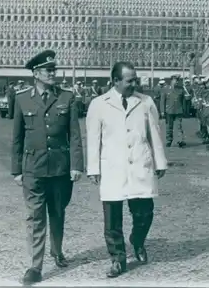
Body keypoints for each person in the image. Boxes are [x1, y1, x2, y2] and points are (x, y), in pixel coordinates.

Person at [86, 61, 167, 278]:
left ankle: (137, 240)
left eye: (135, 79)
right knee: (112, 219)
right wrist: (93, 168)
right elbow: (93, 139)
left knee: (144, 213)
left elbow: (155, 134)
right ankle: (117, 259)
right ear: (115, 81)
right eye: (129, 80)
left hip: (140, 164)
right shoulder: (99, 104)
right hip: (112, 167)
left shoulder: (146, 102)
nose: (134, 83)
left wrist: (160, 162)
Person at [11, 50, 84, 285]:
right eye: (48, 70)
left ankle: (57, 250)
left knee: (58, 212)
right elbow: (17, 138)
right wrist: (16, 169)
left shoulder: (67, 97)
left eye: (54, 69)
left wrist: (76, 165)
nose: (53, 73)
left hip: (60, 169)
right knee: (35, 216)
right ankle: (35, 266)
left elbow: (74, 135)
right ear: (36, 73)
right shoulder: (22, 99)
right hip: (33, 168)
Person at [160, 74, 186, 147]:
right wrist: (162, 111)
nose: (177, 82)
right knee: (169, 126)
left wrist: (183, 110)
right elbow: (162, 101)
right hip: (169, 110)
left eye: (178, 80)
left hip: (178, 110)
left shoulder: (181, 89)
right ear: (171, 80)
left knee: (178, 126)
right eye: (175, 80)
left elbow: (183, 100)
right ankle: (169, 140)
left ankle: (180, 140)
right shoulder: (165, 89)